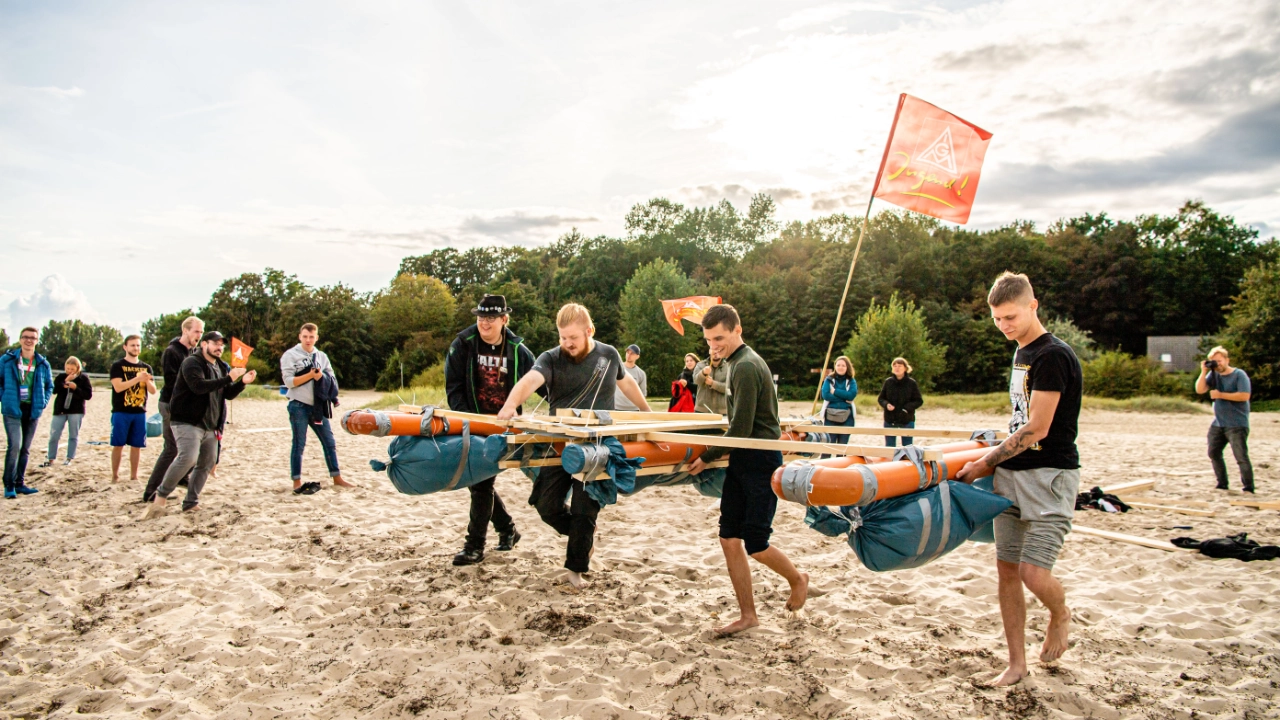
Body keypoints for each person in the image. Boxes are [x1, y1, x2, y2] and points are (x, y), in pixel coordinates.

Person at [957, 272, 1082, 687]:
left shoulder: (1053, 355)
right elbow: (1018, 420)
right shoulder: (1021, 353)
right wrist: (993, 449)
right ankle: (1016, 664)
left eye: (1010, 317)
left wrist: (984, 463)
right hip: (1011, 478)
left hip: (1050, 478)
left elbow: (1038, 428)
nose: (1004, 326)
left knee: (1034, 573)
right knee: (1007, 571)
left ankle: (1060, 613)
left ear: (1033, 305)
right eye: (997, 320)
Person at [497, 303, 652, 589]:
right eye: (562, 337)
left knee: (584, 507)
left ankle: (576, 568)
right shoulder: (551, 358)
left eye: (573, 338)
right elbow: (531, 380)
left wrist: (646, 411)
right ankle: (582, 539)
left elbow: (626, 382)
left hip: (598, 444)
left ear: (589, 331)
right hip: (560, 442)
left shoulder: (608, 354)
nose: (567, 343)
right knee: (546, 505)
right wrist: (510, 404)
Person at [686, 304, 808, 635]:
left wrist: (707, 456)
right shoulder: (733, 363)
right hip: (742, 458)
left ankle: (798, 580)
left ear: (738, 330)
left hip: (760, 461)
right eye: (709, 340)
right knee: (728, 537)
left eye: (720, 338)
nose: (713, 347)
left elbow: (741, 428)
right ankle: (748, 615)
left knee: (756, 543)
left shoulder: (746, 366)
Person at [445, 293, 540, 566]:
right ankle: (506, 530)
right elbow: (454, 387)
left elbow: (540, 381)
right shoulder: (463, 344)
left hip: (505, 425)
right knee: (478, 482)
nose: (484, 323)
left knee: (480, 483)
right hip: (473, 423)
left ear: (504, 319)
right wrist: (468, 420)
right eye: (481, 317)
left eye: (490, 318)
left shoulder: (519, 350)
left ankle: (475, 546)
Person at [144, 331, 254, 517]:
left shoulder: (220, 366)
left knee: (207, 462)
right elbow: (199, 387)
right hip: (187, 420)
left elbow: (226, 394)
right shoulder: (191, 363)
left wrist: (242, 382)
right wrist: (229, 377)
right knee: (188, 458)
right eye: (215, 343)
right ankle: (161, 495)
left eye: (222, 345)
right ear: (204, 344)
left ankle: (190, 502)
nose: (219, 347)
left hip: (210, 424)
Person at [281, 323, 354, 494]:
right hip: (298, 404)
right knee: (299, 444)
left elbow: (332, 379)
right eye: (305, 336)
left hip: (318, 406)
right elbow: (289, 382)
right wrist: (309, 375)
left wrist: (321, 376)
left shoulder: (321, 356)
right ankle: (296, 481)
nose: (308, 340)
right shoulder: (290, 355)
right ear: (300, 336)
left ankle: (337, 478)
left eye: (311, 337)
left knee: (329, 442)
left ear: (316, 338)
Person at [143, 315, 203, 502]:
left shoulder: (193, 351)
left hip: (185, 405)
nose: (199, 335)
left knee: (193, 445)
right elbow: (172, 381)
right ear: (185, 331)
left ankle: (182, 477)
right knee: (171, 448)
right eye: (196, 331)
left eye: (201, 332)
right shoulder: (172, 352)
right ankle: (151, 491)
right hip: (170, 404)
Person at [1, 327, 53, 498]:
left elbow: (49, 387)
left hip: (32, 409)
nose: (29, 340)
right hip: (12, 408)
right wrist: (4, 397)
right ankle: (9, 485)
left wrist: (43, 402)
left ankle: (19, 483)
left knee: (25, 448)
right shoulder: (7, 360)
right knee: (14, 445)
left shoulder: (43, 363)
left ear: (37, 341)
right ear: (20, 339)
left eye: (33, 337)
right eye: (26, 337)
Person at [1195, 346, 1254, 493]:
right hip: (1219, 422)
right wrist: (1203, 372)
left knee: (1240, 456)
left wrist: (1221, 395)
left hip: (1237, 423)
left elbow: (1244, 395)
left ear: (1227, 360)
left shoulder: (1239, 374)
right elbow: (1200, 389)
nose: (1217, 364)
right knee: (1213, 452)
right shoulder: (1214, 375)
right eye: (1214, 362)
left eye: (1219, 361)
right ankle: (1222, 483)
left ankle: (1248, 487)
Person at [110, 335, 157, 483]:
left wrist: (147, 381)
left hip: (139, 412)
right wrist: (137, 379)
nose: (136, 348)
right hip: (121, 411)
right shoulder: (117, 366)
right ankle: (115, 475)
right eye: (132, 345)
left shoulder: (146, 367)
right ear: (125, 347)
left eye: (138, 345)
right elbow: (118, 387)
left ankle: (134, 476)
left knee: (137, 445)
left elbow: (153, 390)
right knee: (118, 444)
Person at [42, 356, 93, 467]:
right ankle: (50, 457)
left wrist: (76, 388)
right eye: (68, 368)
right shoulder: (61, 377)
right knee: (54, 434)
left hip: (76, 410)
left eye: (72, 369)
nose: (70, 371)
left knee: (73, 435)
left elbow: (88, 395)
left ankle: (69, 457)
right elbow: (54, 390)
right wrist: (65, 382)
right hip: (60, 410)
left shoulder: (83, 378)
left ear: (77, 368)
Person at [878, 357, 923, 447]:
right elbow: (881, 398)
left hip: (906, 418)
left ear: (905, 368)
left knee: (908, 447)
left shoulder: (911, 383)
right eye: (895, 366)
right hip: (890, 419)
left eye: (899, 366)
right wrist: (886, 405)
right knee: (889, 446)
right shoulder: (888, 382)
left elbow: (919, 401)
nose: (897, 368)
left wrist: (907, 408)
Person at [820, 355, 858, 444]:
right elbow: (825, 395)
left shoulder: (851, 380)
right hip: (830, 416)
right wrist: (844, 397)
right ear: (835, 366)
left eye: (843, 365)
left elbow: (851, 395)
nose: (840, 367)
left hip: (847, 417)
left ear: (847, 367)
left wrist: (835, 391)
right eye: (838, 365)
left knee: (842, 448)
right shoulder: (829, 379)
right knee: (828, 446)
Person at [693, 349, 728, 415]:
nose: (716, 353)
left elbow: (729, 388)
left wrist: (713, 383)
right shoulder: (700, 365)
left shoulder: (728, 366)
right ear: (709, 351)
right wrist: (703, 373)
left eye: (718, 351)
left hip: (722, 411)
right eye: (713, 350)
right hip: (702, 410)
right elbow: (696, 381)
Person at [613, 345, 647, 412]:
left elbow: (643, 394)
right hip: (616, 407)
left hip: (634, 409)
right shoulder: (617, 368)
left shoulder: (641, 373)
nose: (629, 355)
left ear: (637, 356)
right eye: (628, 352)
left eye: (632, 353)